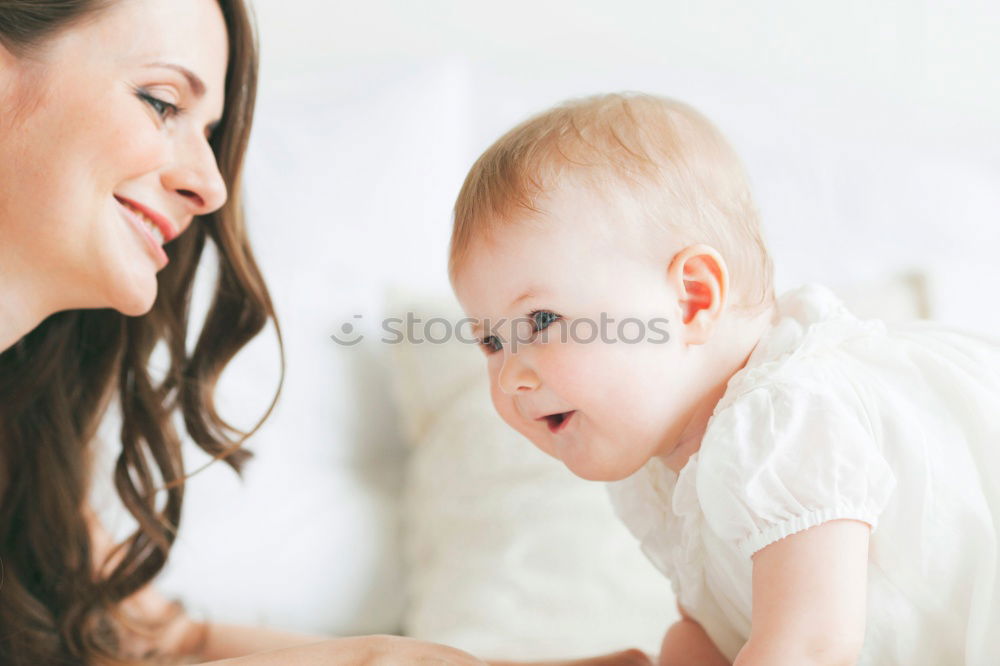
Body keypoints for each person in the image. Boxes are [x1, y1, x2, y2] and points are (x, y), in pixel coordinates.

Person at [0, 2, 654, 665]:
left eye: (209, 132)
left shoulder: (23, 437)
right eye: (162, 102)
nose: (210, 186)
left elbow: (161, 644)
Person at [449, 92, 1000, 666]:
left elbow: (810, 647)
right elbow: (724, 628)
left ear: (691, 299)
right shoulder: (662, 465)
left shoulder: (784, 417)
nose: (510, 375)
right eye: (490, 341)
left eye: (541, 321)